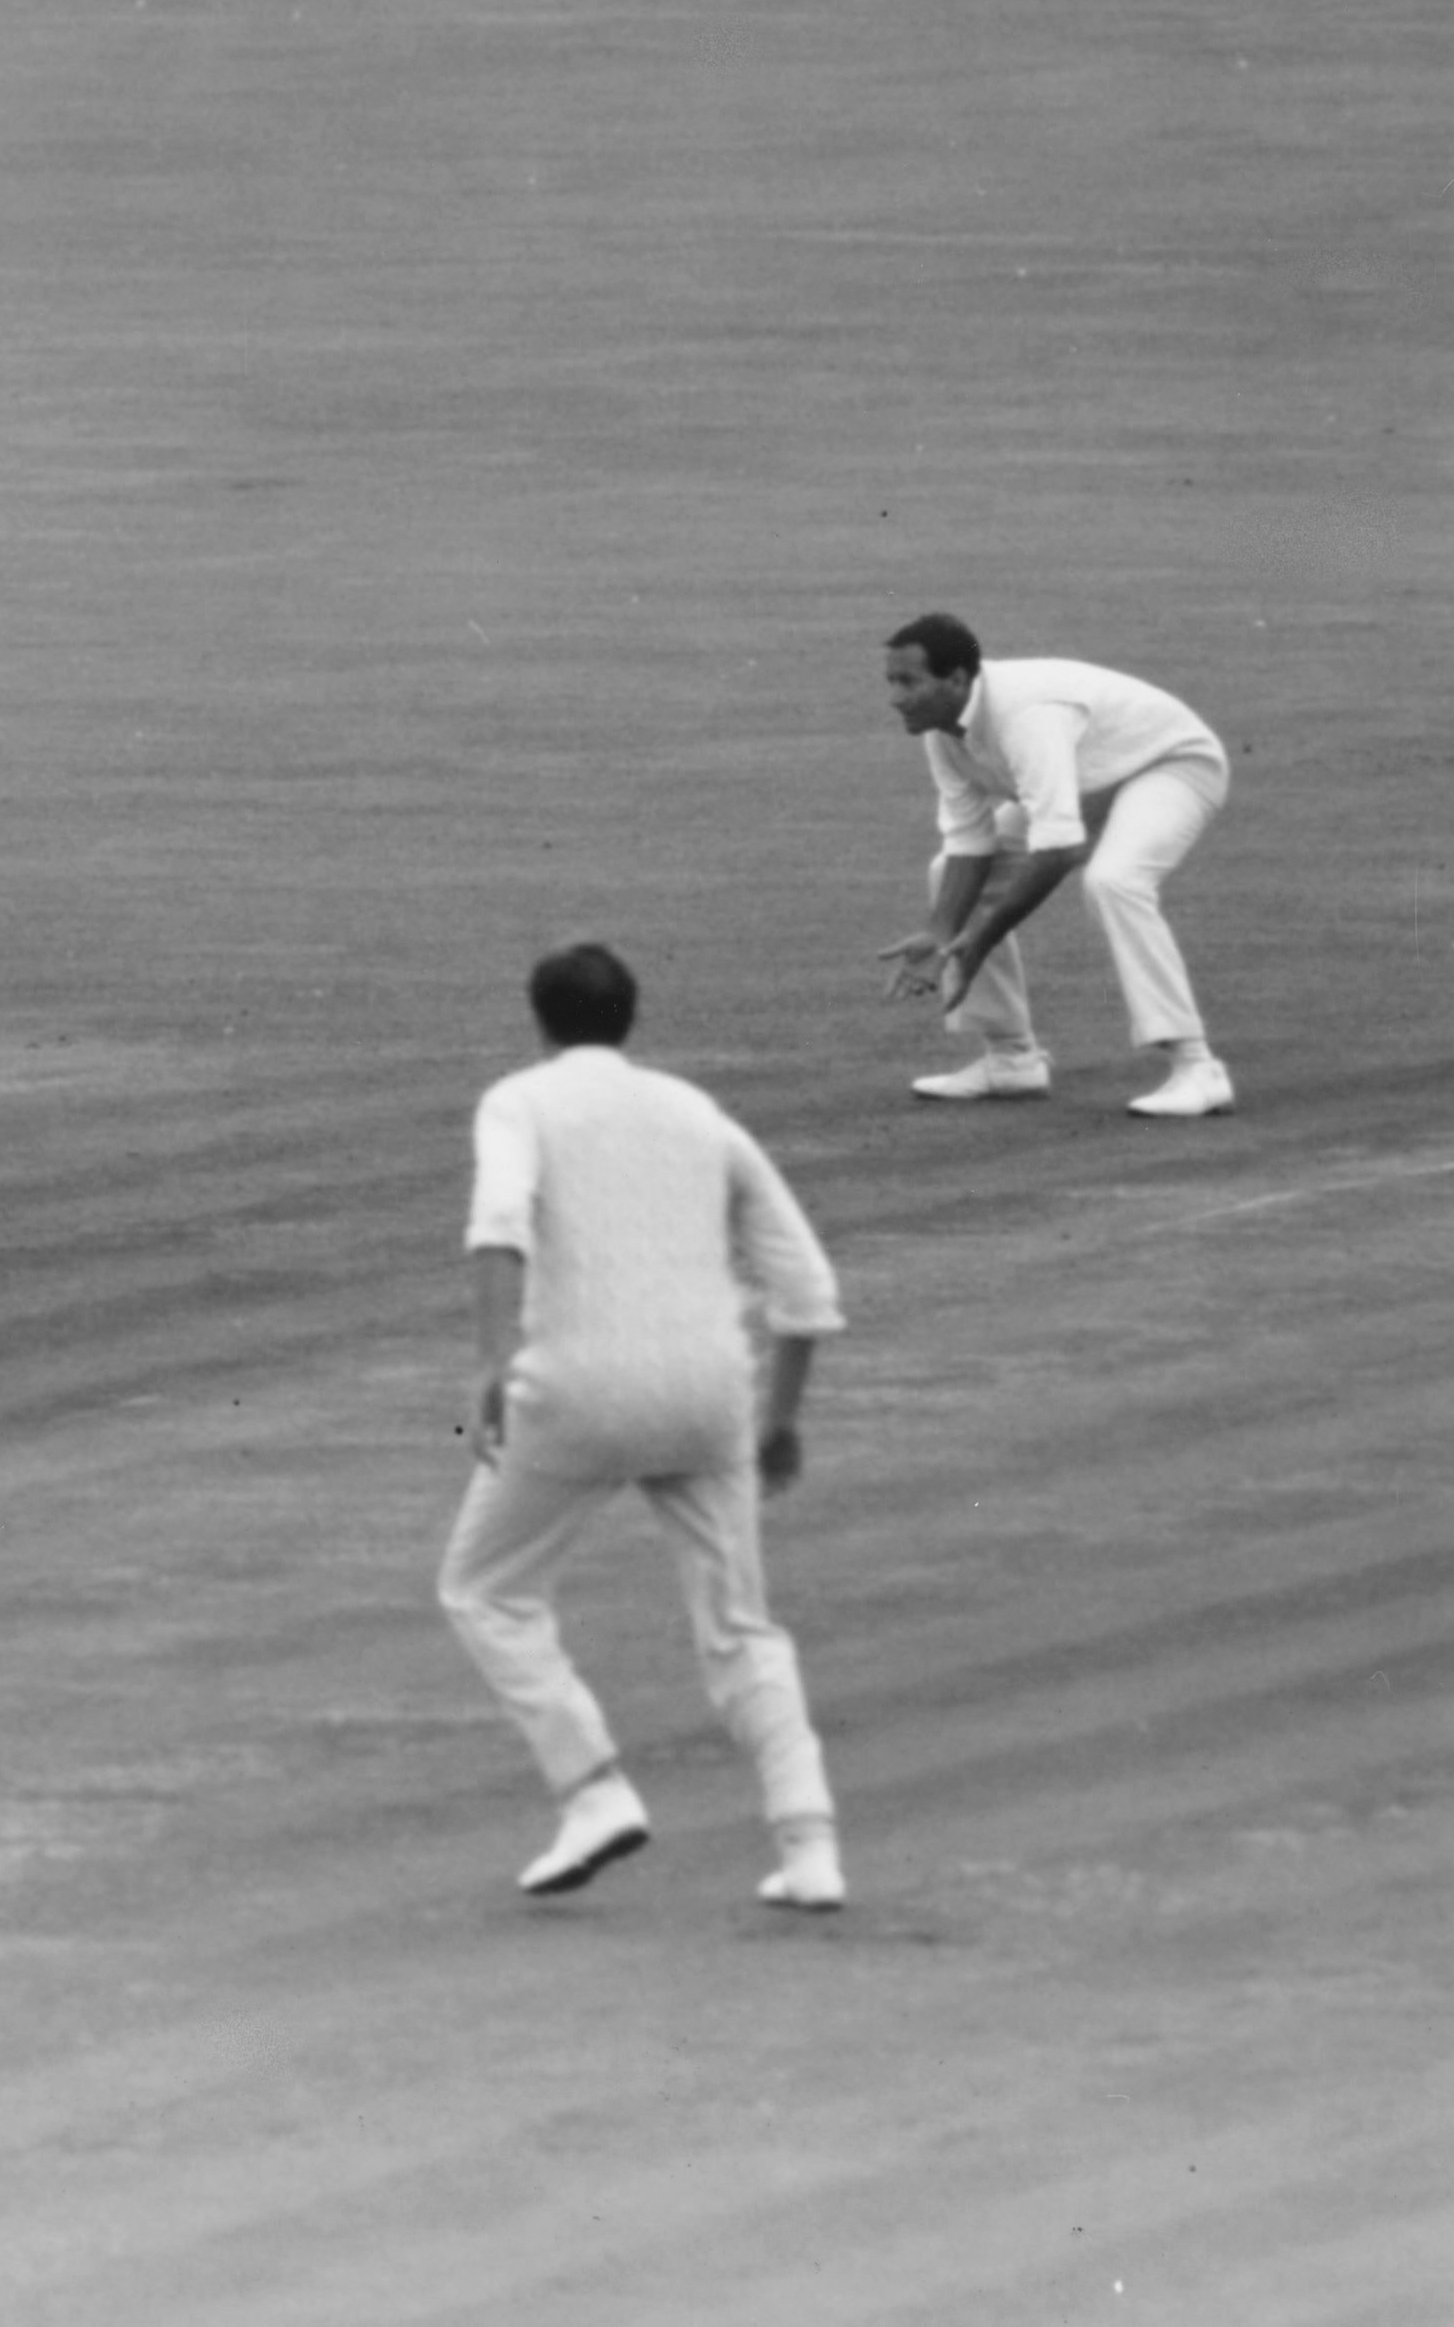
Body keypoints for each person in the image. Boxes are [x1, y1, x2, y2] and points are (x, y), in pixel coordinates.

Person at [437, 940, 849, 1913]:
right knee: (740, 1627)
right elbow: (805, 1292)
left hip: (572, 1391)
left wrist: (495, 1361)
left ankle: (590, 1792)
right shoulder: (695, 1114)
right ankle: (809, 1849)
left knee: (485, 1592)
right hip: (708, 1397)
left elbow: (497, 1222)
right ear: (628, 1018)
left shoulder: (518, 1102)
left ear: (538, 1021)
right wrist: (776, 1422)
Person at [873, 613, 1236, 1116]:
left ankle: (1198, 1068)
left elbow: (1059, 850)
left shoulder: (1026, 715)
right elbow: (969, 842)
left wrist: (979, 938)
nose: (895, 697)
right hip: (1087, 780)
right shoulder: (942, 732)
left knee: (1115, 881)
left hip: (1170, 764)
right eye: (891, 681)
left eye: (908, 681)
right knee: (946, 876)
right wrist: (940, 932)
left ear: (956, 680)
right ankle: (1011, 1059)